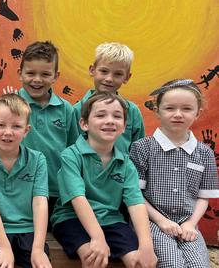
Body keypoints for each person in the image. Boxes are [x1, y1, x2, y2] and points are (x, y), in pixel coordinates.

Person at [51, 92, 157, 268]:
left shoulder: (126, 163)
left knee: (140, 262)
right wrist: (98, 237)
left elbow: (136, 203)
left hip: (111, 219)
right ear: (84, 124)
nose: (110, 120)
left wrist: (146, 245)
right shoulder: (71, 156)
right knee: (94, 258)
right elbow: (78, 199)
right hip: (71, 218)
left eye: (117, 116)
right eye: (101, 115)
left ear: (123, 127)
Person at [130, 79, 219, 267]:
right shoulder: (142, 148)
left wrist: (191, 223)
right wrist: (161, 221)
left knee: (199, 265)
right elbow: (134, 193)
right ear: (157, 110)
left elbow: (204, 197)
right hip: (152, 222)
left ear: (198, 112)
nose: (178, 114)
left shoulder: (205, 153)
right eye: (170, 108)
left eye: (186, 109)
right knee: (173, 264)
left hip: (188, 223)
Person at [0, 94, 51, 268]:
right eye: (0, 125)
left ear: (26, 130)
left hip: (28, 227)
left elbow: (40, 203)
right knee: (2, 264)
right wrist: (4, 247)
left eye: (16, 126)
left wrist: (38, 248)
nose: (8, 132)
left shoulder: (38, 160)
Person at [17, 41, 78, 217]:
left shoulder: (66, 109)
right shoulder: (10, 106)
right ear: (20, 73)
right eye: (30, 73)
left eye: (45, 74)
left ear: (55, 76)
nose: (37, 80)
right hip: (20, 191)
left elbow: (73, 150)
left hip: (56, 191)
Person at [73, 42, 145, 154]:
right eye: (104, 71)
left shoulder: (132, 111)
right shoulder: (77, 110)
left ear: (127, 77)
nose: (109, 79)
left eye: (118, 74)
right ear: (92, 70)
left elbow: (139, 152)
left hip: (124, 171)